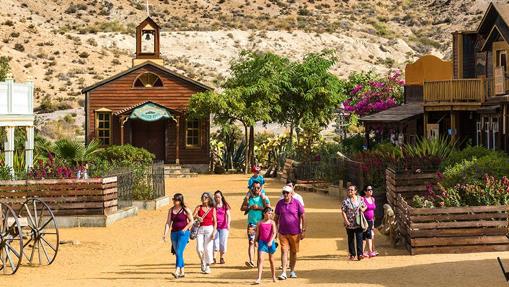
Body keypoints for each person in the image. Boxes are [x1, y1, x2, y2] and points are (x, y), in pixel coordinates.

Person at [275, 185, 305, 280]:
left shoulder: (297, 203)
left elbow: (303, 216)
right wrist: (274, 230)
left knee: (293, 252)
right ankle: (283, 272)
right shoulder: (280, 203)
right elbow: (276, 217)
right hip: (283, 232)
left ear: (291, 193)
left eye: (287, 192)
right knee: (284, 251)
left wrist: (303, 230)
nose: (285, 194)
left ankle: (292, 271)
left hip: (295, 232)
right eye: (283, 192)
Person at [162, 193, 194, 278]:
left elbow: (192, 221)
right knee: (178, 253)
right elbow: (168, 222)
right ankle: (182, 271)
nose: (174, 201)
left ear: (180, 201)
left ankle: (177, 270)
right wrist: (165, 233)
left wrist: (185, 229)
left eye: (175, 200)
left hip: (183, 233)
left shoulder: (185, 209)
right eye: (173, 199)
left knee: (179, 251)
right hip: (174, 233)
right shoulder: (171, 210)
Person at [241, 181, 270, 268]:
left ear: (261, 188)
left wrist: (259, 207)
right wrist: (250, 207)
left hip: (262, 224)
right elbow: (242, 208)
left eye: (258, 187)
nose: (256, 189)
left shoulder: (264, 197)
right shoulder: (249, 197)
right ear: (252, 188)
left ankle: (259, 261)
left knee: (260, 243)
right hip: (252, 224)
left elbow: (268, 209)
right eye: (254, 187)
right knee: (251, 242)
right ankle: (251, 261)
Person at [193, 192, 217, 274]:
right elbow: (192, 216)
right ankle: (203, 261)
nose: (204, 198)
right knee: (199, 248)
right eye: (203, 197)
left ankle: (207, 265)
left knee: (208, 248)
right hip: (200, 228)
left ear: (209, 198)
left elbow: (215, 222)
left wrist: (214, 232)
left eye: (206, 197)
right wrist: (197, 217)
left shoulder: (212, 209)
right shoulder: (198, 207)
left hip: (209, 229)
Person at [341, 185, 367, 261]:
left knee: (359, 238)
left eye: (351, 190)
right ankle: (352, 254)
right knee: (351, 239)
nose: (350, 191)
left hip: (358, 222)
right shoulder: (346, 201)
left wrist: (362, 209)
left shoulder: (360, 199)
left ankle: (360, 254)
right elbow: (343, 211)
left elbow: (365, 206)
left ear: (355, 191)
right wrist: (346, 220)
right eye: (349, 190)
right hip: (349, 223)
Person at [255, 207, 278, 284]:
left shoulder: (272, 223)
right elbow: (257, 233)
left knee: (271, 260)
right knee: (260, 259)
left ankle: (273, 276)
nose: (270, 214)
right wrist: (255, 241)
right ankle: (259, 278)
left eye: (271, 213)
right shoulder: (259, 223)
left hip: (270, 243)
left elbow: (274, 233)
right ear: (264, 213)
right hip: (262, 242)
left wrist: (271, 241)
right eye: (268, 213)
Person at [213, 190, 231, 264]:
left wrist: (228, 224)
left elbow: (228, 215)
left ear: (221, 197)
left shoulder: (225, 205)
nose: (217, 198)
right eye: (216, 197)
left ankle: (222, 257)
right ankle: (214, 258)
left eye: (218, 197)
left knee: (223, 243)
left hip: (224, 227)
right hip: (215, 227)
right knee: (215, 242)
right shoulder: (213, 206)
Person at [362, 185, 376, 258]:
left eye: (371, 189)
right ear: (365, 191)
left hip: (371, 220)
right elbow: (360, 209)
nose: (370, 191)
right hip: (365, 220)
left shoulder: (373, 199)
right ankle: (364, 251)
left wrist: (373, 222)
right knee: (365, 235)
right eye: (368, 189)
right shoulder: (362, 199)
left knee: (369, 235)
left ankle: (369, 251)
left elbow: (373, 211)